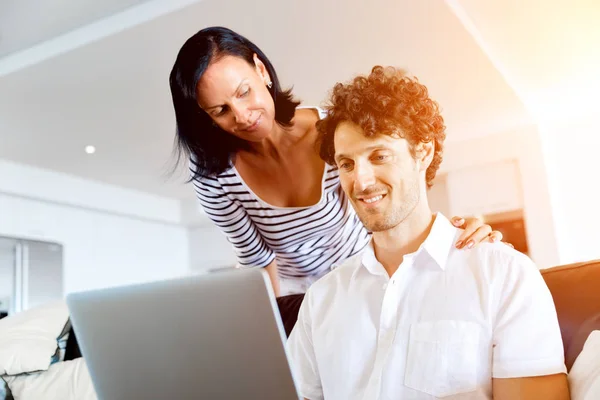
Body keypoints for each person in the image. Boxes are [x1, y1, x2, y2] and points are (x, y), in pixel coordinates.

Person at [286, 66, 569, 400]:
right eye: (346, 164)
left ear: (423, 152)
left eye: (379, 156)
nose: (359, 181)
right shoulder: (321, 300)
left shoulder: (503, 274)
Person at [169, 26, 503, 297]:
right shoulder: (214, 178)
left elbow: (390, 201)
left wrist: (451, 237)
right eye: (220, 110)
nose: (242, 116)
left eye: (244, 92)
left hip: (368, 275)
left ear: (260, 70)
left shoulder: (336, 130)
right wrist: (273, 328)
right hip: (299, 297)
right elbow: (257, 260)